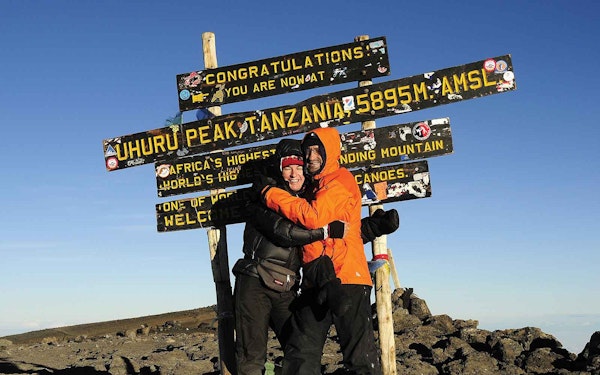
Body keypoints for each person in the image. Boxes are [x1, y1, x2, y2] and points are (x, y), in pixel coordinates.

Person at [235, 138, 398, 374]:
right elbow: (287, 233)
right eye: (288, 167)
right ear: (279, 169)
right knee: (262, 356)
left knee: (303, 348)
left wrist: (372, 227)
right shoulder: (265, 197)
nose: (294, 174)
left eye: (299, 167)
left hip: (294, 285)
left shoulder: (311, 197)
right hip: (257, 281)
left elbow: (332, 237)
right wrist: (326, 229)